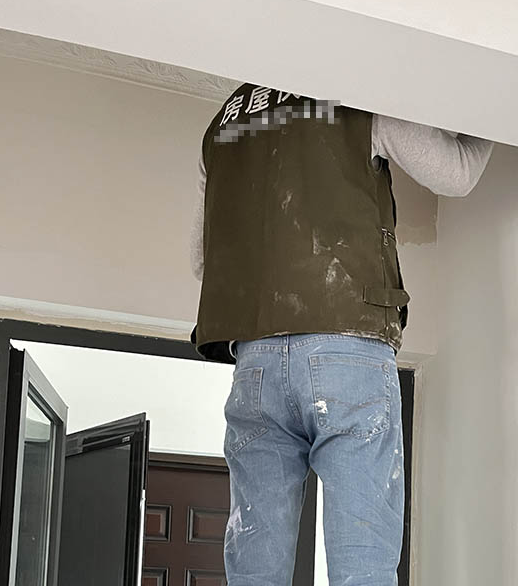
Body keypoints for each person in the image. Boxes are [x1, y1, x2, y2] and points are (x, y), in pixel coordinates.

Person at [189, 83, 493, 585]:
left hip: (255, 360)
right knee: (362, 563)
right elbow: (455, 173)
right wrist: (499, 114)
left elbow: (203, 262)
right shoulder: (352, 87)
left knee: (255, 562)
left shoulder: (223, 123)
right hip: (345, 344)